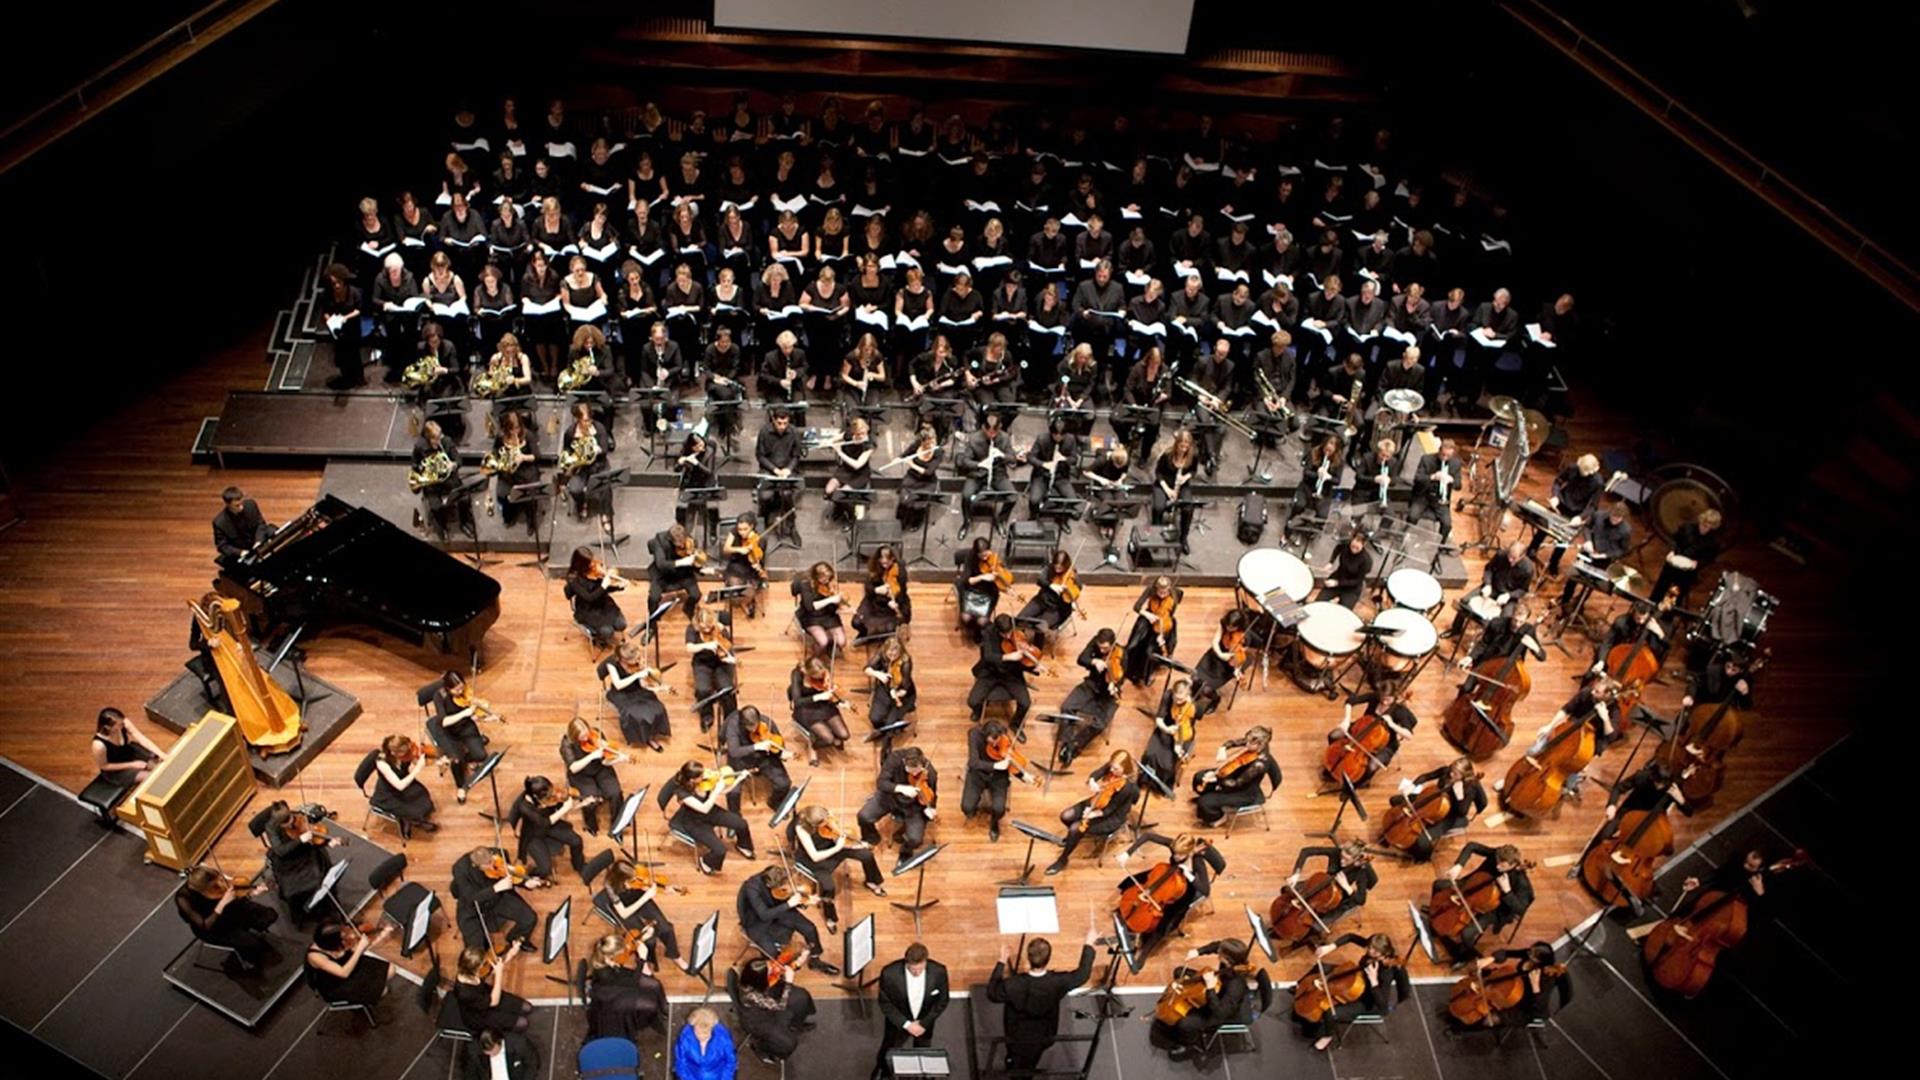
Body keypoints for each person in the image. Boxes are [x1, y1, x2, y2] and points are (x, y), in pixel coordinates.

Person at [986, 928, 1098, 1077]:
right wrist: (1088, 944)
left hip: (1016, 1035)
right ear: (1048, 958)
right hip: (1044, 1034)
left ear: (1029, 956)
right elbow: (1082, 974)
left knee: (1018, 1064)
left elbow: (992, 993)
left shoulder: (1014, 984)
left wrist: (1001, 962)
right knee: (1032, 1060)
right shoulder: (1057, 982)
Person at [1293, 933, 1410, 1052]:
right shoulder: (1373, 948)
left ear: (1383, 952)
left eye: (1374, 951)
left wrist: (1374, 981)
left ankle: (1327, 1036)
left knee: (1331, 1013)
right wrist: (1331, 947)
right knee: (1321, 967)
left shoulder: (1387, 972)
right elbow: (1350, 937)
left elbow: (1383, 1006)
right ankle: (1300, 986)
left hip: (1369, 1000)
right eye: (1369, 947)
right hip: (1357, 978)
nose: (1369, 951)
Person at [1115, 833, 1227, 955]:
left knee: (1167, 920)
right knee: (1131, 881)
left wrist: (1189, 876)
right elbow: (1148, 836)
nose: (1175, 856)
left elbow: (1206, 891)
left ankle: (1146, 950)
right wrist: (1127, 853)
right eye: (1174, 853)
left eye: (1179, 855)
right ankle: (1128, 906)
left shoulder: (1198, 861)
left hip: (1184, 889)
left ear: (1188, 852)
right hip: (1165, 873)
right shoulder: (1176, 845)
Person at [789, 804, 888, 934]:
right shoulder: (801, 828)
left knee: (866, 855)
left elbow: (836, 831)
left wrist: (847, 841)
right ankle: (830, 918)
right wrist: (838, 847)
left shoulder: (824, 814)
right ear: (813, 825)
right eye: (823, 823)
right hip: (815, 860)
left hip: (831, 846)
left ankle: (872, 881)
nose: (827, 823)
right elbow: (815, 856)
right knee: (828, 887)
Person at [1048, 749, 1139, 875]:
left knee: (1075, 828)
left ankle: (1063, 859)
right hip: (1097, 801)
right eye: (1111, 767)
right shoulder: (1113, 767)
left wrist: (1092, 814)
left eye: (1116, 769)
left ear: (1125, 767)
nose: (1112, 771)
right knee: (1065, 816)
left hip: (1111, 817)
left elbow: (1110, 809)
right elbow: (1098, 772)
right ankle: (1071, 840)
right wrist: (1092, 780)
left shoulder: (1127, 788)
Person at [1154, 939, 1253, 1054]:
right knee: (1179, 971)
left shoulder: (1236, 986)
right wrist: (1198, 951)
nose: (1218, 953)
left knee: (1185, 1024)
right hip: (1215, 986)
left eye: (1220, 953)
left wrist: (1210, 988)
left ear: (1226, 959)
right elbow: (1217, 945)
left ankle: (1187, 1044)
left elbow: (1221, 1013)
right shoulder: (1233, 958)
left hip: (1219, 1006)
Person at [1436, 842, 1535, 957]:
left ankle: (1466, 956)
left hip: (1496, 909)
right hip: (1474, 885)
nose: (1497, 866)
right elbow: (1471, 846)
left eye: (1502, 866)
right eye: (1497, 862)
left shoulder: (1521, 882)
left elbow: (1520, 909)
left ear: (1513, 864)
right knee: (1438, 885)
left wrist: (1507, 891)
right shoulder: (1497, 854)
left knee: (1466, 934)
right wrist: (1458, 866)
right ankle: (1435, 910)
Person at [659, 760, 756, 875]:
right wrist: (716, 791)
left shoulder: (705, 781)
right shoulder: (683, 793)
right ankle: (706, 862)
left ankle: (743, 845)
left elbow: (724, 791)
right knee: (720, 850)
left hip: (711, 812)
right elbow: (704, 808)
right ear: (692, 780)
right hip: (694, 822)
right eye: (701, 775)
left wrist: (739, 779)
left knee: (741, 823)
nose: (705, 774)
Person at [873, 942, 950, 1078]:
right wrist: (907, 1025)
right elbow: (885, 1003)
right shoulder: (889, 973)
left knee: (923, 1053)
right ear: (906, 962)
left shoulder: (939, 972)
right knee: (889, 1049)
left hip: (924, 1025)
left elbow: (942, 1001)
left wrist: (924, 1023)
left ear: (926, 961)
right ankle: (883, 1073)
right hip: (898, 1023)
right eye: (913, 969)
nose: (917, 973)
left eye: (920, 969)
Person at [1451, 942, 1572, 1029]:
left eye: (1532, 955)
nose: (1528, 954)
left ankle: (1464, 1029)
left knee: (1489, 1020)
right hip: (1510, 987)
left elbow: (1540, 1007)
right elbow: (1506, 953)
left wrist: (1535, 987)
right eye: (1530, 951)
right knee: (1485, 975)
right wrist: (1492, 958)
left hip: (1526, 1007)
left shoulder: (1546, 978)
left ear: (1539, 961)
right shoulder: (1529, 954)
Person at [1385, 757, 1487, 860]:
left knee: (1422, 841)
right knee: (1395, 800)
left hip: (1449, 815)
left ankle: (1424, 857)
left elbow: (1462, 812)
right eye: (1452, 770)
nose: (1451, 774)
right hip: (1431, 798)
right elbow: (1425, 777)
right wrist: (1412, 786)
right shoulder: (1446, 771)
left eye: (1456, 774)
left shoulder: (1469, 787)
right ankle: (1392, 829)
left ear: (1464, 775)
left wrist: (1459, 796)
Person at [175, 865, 278, 967]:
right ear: (203, 888)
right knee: (253, 944)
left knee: (269, 915)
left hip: (228, 910)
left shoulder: (207, 877)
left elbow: (232, 898)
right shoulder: (183, 899)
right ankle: (241, 959)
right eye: (213, 886)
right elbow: (204, 925)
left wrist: (251, 893)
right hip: (212, 927)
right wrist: (222, 903)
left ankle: (246, 930)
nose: (218, 885)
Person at [858, 746, 939, 870]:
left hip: (914, 807)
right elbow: (881, 783)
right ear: (904, 762)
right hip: (889, 797)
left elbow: (932, 793)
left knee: (915, 839)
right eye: (911, 771)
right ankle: (871, 837)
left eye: (917, 770)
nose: (915, 774)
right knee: (863, 816)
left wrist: (931, 807)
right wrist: (901, 788)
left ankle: (905, 854)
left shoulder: (930, 771)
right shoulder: (895, 758)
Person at [1526, 453, 1606, 576]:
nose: (1581, 473)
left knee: (1563, 540)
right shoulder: (1572, 468)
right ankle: (1532, 549)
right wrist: (1555, 496)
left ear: (1593, 470)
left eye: (1584, 472)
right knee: (1543, 527)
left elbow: (1593, 506)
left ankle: (1554, 563)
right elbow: (1558, 481)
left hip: (1576, 513)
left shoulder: (1598, 483)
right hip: (1561, 503)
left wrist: (1581, 517)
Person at [451, 846, 542, 951]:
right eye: (487, 864)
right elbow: (471, 898)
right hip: (474, 907)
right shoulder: (460, 869)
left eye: (491, 861)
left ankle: (515, 938)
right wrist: (496, 888)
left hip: (498, 898)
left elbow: (508, 874)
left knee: (529, 917)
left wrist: (525, 882)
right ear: (476, 865)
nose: (491, 865)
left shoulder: (498, 854)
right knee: (475, 950)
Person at [1055, 628, 1122, 768]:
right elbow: (1081, 659)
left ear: (1113, 643)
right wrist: (1094, 661)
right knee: (1066, 707)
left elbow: (1123, 675)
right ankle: (1066, 744)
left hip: (1108, 693)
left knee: (1100, 723)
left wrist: (1114, 685)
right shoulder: (1095, 643)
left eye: (1105, 648)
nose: (1102, 651)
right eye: (1100, 647)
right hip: (1092, 684)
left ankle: (1075, 745)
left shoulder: (1123, 654)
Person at [963, 717, 1037, 843]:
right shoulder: (974, 735)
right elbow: (973, 763)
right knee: (967, 808)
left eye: (998, 739)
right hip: (978, 774)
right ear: (986, 735)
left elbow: (1011, 762)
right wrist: (995, 766)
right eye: (993, 740)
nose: (997, 743)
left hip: (998, 777)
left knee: (999, 809)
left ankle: (994, 824)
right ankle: (975, 805)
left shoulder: (1003, 737)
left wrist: (1024, 776)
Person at [736, 952, 819, 1063]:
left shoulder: (757, 978)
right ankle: (761, 1048)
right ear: (760, 979)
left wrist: (798, 962)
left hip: (767, 998)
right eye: (770, 971)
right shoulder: (751, 995)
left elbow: (779, 973)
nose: (773, 969)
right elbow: (780, 1006)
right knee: (789, 1042)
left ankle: (796, 1025)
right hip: (758, 1020)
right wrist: (788, 983)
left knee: (801, 997)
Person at [584, 931, 668, 1040]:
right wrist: (642, 960)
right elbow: (632, 983)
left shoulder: (607, 960)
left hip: (619, 981)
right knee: (650, 1005)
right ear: (611, 956)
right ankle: (648, 1019)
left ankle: (662, 1010)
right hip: (613, 997)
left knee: (655, 984)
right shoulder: (604, 973)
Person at [1446, 540, 1535, 639]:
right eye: (1509, 555)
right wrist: (1488, 584)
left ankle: (1488, 644)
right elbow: (1489, 569)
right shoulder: (1501, 554)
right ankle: (1455, 630)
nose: (1510, 559)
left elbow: (1523, 590)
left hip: (1509, 596)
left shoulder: (1528, 569)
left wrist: (1509, 595)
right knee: (1464, 602)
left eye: (1514, 558)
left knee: (1505, 619)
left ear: (1522, 556)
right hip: (1493, 587)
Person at [1192, 726, 1281, 825]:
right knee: (1199, 777)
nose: (1246, 744)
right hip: (1236, 773)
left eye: (1250, 743)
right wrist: (1223, 748)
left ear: (1260, 745)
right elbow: (1234, 742)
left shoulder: (1259, 764)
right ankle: (1209, 798)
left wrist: (1217, 779)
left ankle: (1219, 817)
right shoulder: (1254, 743)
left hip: (1244, 791)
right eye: (1247, 741)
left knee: (1204, 802)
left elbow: (1236, 784)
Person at [507, 775, 589, 881]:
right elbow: (544, 823)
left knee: (577, 841)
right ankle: (527, 876)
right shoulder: (524, 807)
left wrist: (579, 804)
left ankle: (579, 866)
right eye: (548, 796)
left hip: (549, 824)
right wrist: (564, 810)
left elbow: (555, 808)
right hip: (533, 835)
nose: (553, 796)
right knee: (545, 869)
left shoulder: (543, 796)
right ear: (536, 797)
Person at [1327, 689, 1417, 785]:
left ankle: (1360, 782)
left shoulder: (1400, 711)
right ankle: (1335, 762)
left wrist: (1391, 724)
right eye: (1382, 698)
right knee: (1333, 735)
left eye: (1387, 699)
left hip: (1385, 744)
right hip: (1361, 729)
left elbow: (1409, 736)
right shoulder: (1375, 697)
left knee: (1372, 766)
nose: (1384, 702)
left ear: (1395, 697)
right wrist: (1346, 720)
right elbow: (1350, 701)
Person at [265, 803, 341, 917]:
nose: (292, 823)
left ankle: (326, 898)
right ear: (280, 824)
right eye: (287, 824)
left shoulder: (296, 816)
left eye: (291, 819)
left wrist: (327, 842)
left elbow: (311, 833)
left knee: (319, 865)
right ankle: (308, 906)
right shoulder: (270, 828)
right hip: (286, 860)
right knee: (311, 879)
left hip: (301, 850)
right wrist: (300, 840)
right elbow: (280, 851)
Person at [969, 613, 1040, 734]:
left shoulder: (1017, 635)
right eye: (1004, 634)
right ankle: (979, 710)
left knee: (1025, 703)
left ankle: (1016, 725)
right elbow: (988, 657)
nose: (1008, 636)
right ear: (997, 630)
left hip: (1011, 675)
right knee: (972, 701)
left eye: (1010, 632)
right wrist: (1007, 657)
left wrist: (1033, 665)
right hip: (990, 673)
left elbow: (1023, 662)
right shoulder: (988, 634)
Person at [1285, 841, 1379, 927]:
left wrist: (1346, 887)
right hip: (1323, 883)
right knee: (1287, 890)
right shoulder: (1336, 852)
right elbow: (1306, 851)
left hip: (1342, 895)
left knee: (1317, 925)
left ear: (1356, 860)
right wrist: (1296, 874)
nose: (1342, 861)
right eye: (1342, 857)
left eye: (1347, 860)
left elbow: (1361, 900)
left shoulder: (1362, 869)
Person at [429, 671, 490, 801]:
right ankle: (461, 787)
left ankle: (465, 758)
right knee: (456, 760)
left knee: (481, 755)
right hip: (447, 731)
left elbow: (471, 713)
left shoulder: (465, 693)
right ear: (448, 688)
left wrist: (485, 716)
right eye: (457, 690)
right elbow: (444, 722)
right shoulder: (439, 696)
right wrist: (465, 713)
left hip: (465, 726)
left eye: (462, 687)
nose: (461, 691)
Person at [599, 639, 671, 750]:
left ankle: (653, 733)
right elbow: (618, 684)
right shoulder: (612, 663)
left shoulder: (637, 662)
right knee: (636, 715)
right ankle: (646, 738)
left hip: (636, 689)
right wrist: (636, 676)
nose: (639, 661)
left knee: (658, 708)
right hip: (620, 694)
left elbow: (644, 683)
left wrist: (657, 686)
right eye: (636, 659)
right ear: (624, 659)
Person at [306, 920, 392, 1010]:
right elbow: (343, 973)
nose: (348, 935)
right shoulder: (315, 956)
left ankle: (373, 987)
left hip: (348, 965)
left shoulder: (336, 941)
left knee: (390, 969)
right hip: (337, 984)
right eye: (343, 937)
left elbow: (351, 944)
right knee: (382, 989)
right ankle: (366, 995)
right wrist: (360, 948)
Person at [560, 716, 624, 834]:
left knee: (616, 793)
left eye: (587, 733)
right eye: (582, 736)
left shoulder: (595, 734)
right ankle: (591, 825)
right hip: (581, 774)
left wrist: (618, 758)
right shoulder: (567, 744)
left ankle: (617, 825)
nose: (586, 737)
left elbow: (606, 760)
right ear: (574, 736)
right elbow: (573, 768)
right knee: (590, 800)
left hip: (599, 767)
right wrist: (592, 756)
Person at [454, 942, 535, 1034]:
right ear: (476, 969)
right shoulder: (465, 992)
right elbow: (494, 1001)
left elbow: (492, 968)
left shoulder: (471, 971)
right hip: (480, 1015)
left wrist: (510, 954)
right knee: (523, 1023)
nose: (488, 962)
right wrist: (499, 975)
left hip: (487, 995)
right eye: (484, 963)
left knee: (527, 1007)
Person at [1652, 507, 1722, 605]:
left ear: (1713, 527)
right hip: (1673, 561)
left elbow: (1710, 558)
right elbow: (1674, 540)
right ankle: (1651, 605)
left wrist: (1698, 563)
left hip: (1688, 571)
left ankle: (1667, 616)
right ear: (1701, 520)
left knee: (1677, 594)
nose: (1704, 528)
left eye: (1707, 527)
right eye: (1703, 524)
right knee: (1660, 587)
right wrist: (1672, 550)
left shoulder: (1714, 542)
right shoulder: (1687, 527)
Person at [686, 606, 739, 733]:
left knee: (727, 689)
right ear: (698, 623)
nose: (708, 629)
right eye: (704, 627)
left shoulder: (720, 629)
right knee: (702, 689)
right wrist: (706, 645)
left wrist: (729, 659)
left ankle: (731, 719)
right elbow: (689, 648)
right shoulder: (692, 629)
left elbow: (727, 649)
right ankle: (706, 715)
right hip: (702, 663)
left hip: (720, 663)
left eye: (710, 626)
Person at [755, 407, 804, 543]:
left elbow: (796, 455)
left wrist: (788, 469)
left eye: (785, 424)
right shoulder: (764, 432)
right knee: (765, 496)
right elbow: (760, 455)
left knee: (787, 495)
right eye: (779, 423)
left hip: (788, 469)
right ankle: (763, 520)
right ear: (773, 421)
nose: (782, 427)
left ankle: (791, 526)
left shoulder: (793, 432)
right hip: (769, 469)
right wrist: (775, 470)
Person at [563, 546, 628, 648]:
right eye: (589, 562)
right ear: (581, 564)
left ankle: (602, 633)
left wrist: (618, 587)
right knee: (608, 632)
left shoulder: (594, 571)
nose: (593, 564)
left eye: (592, 560)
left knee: (621, 624)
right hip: (588, 609)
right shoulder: (573, 578)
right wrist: (603, 586)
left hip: (603, 603)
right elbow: (589, 597)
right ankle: (599, 638)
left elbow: (604, 588)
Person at [90, 707, 164, 790]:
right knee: (152, 777)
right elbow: (105, 766)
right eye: (118, 725)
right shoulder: (98, 745)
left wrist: (162, 754)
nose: (122, 725)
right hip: (117, 769)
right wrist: (133, 764)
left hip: (129, 754)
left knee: (159, 767)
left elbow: (141, 738)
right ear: (108, 727)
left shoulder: (123, 723)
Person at [864, 635, 918, 737]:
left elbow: (905, 687)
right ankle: (885, 730)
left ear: (901, 652)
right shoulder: (882, 654)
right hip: (884, 688)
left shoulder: (905, 662)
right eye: (890, 653)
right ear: (885, 650)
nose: (892, 656)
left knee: (890, 724)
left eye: (896, 654)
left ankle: (891, 730)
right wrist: (878, 674)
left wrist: (896, 694)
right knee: (875, 718)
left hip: (902, 694)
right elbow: (867, 669)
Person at [1408, 439, 1462, 538]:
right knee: (1412, 516)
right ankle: (1405, 535)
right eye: (1443, 455)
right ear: (1439, 451)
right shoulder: (1426, 459)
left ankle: (1440, 546)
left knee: (1447, 524)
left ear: (1452, 455)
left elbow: (1458, 486)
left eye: (1448, 456)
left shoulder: (1456, 463)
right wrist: (1432, 477)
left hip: (1440, 499)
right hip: (1423, 495)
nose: (1444, 458)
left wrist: (1451, 479)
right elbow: (1417, 478)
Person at [673, 1006, 738, 1080]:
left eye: (706, 1033)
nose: (702, 1037)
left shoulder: (723, 1038)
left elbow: (730, 1061)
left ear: (712, 1028)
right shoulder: (685, 1038)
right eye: (698, 1033)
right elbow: (681, 1063)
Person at [213, 487, 272, 564]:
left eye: (242, 503)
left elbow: (260, 524)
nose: (241, 507)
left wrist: (258, 540)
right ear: (228, 505)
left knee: (273, 530)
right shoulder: (220, 523)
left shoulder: (251, 505)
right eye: (237, 505)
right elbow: (222, 546)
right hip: (241, 548)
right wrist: (240, 552)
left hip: (256, 540)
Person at [1317, 530, 1373, 609]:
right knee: (1317, 604)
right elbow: (1337, 549)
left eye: (1358, 546)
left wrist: (1337, 583)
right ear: (1351, 540)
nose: (1354, 548)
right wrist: (1331, 562)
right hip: (1339, 576)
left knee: (1344, 613)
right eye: (1353, 544)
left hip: (1351, 588)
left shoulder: (1366, 561)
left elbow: (1358, 581)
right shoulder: (1345, 545)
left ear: (1364, 544)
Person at [465, 1030, 540, 1080]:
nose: (490, 1054)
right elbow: (470, 1074)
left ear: (499, 1041)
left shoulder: (519, 1043)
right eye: (486, 1052)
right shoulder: (473, 1050)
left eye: (492, 1050)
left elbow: (532, 1064)